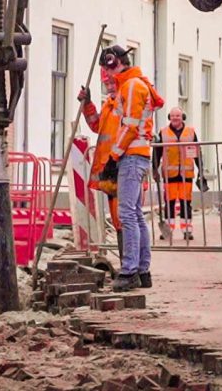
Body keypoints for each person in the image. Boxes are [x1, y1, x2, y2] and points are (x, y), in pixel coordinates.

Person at [98, 45, 164, 292]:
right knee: (135, 213)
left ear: (113, 63)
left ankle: (130, 271)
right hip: (136, 155)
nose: (106, 76)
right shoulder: (133, 84)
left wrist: (114, 156)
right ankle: (143, 270)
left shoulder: (133, 86)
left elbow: (130, 125)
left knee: (127, 213)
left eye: (106, 70)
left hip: (131, 155)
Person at [79, 68, 123, 255]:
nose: (110, 87)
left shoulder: (125, 104)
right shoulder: (109, 105)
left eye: (113, 83)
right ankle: (128, 265)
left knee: (124, 219)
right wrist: (87, 104)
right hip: (110, 171)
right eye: (107, 84)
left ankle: (132, 268)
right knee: (117, 219)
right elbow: (97, 125)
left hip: (123, 169)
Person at [152, 107, 207, 240]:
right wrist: (154, 169)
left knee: (185, 202)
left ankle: (187, 230)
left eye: (177, 116)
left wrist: (201, 169)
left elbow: (197, 152)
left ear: (183, 117)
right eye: (172, 116)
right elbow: (156, 153)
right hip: (169, 174)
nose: (175, 118)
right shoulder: (163, 133)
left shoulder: (190, 132)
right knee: (169, 203)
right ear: (169, 118)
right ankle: (168, 230)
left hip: (186, 174)